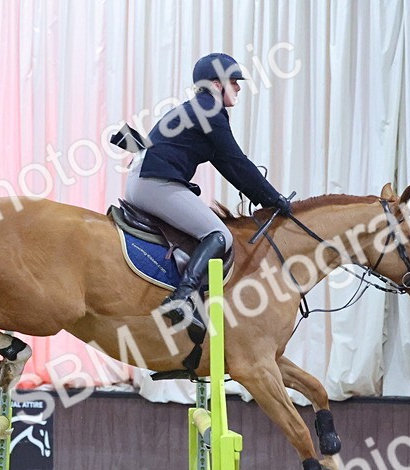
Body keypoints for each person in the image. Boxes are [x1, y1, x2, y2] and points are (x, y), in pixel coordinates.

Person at [125, 53, 292, 327]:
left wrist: (264, 197)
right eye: (234, 81)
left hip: (143, 180)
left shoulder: (195, 109)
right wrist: (275, 199)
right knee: (219, 234)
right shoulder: (211, 111)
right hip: (154, 182)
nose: (238, 87)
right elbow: (237, 161)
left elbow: (228, 165)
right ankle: (181, 298)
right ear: (217, 84)